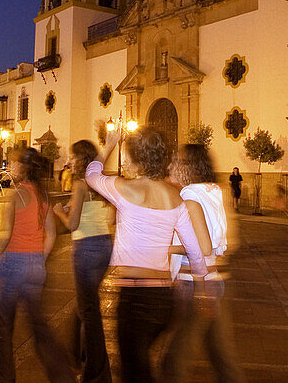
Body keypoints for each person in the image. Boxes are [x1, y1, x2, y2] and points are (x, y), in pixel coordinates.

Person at [85, 128, 211, 383]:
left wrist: (109, 145)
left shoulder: (124, 189)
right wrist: (202, 290)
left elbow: (91, 174)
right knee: (138, 367)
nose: (125, 162)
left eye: (128, 157)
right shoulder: (176, 198)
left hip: (135, 297)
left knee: (135, 372)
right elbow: (196, 252)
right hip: (165, 299)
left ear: (138, 160)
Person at [0, 146, 75, 383]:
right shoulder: (43, 194)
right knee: (39, 327)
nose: (10, 167)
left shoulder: (16, 194)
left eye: (14, 163)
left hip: (12, 264)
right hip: (36, 265)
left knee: (2, 327)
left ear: (24, 167)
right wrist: (38, 259)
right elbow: (51, 234)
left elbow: (7, 235)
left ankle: (2, 377)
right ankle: (63, 376)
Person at [161, 143, 242, 383]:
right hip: (216, 279)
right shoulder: (214, 191)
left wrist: (163, 247)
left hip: (196, 283)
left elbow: (202, 246)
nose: (170, 166)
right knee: (222, 356)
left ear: (189, 168)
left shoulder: (189, 196)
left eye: (176, 161)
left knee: (175, 361)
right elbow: (227, 240)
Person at [53, 140, 115, 383]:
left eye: (72, 157)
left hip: (86, 249)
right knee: (85, 305)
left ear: (81, 159)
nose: (68, 161)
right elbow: (108, 217)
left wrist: (60, 211)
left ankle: (96, 372)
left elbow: (73, 225)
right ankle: (77, 354)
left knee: (89, 312)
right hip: (104, 247)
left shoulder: (80, 185)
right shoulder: (99, 182)